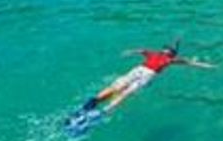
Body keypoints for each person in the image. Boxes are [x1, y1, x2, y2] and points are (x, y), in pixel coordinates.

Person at [72, 42, 214, 119]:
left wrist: (129, 52)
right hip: (147, 75)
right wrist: (206, 66)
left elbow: (141, 50)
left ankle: (94, 101)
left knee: (116, 87)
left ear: (164, 50)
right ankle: (105, 110)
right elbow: (189, 62)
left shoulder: (155, 54)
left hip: (138, 70)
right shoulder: (169, 59)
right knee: (126, 93)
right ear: (171, 53)